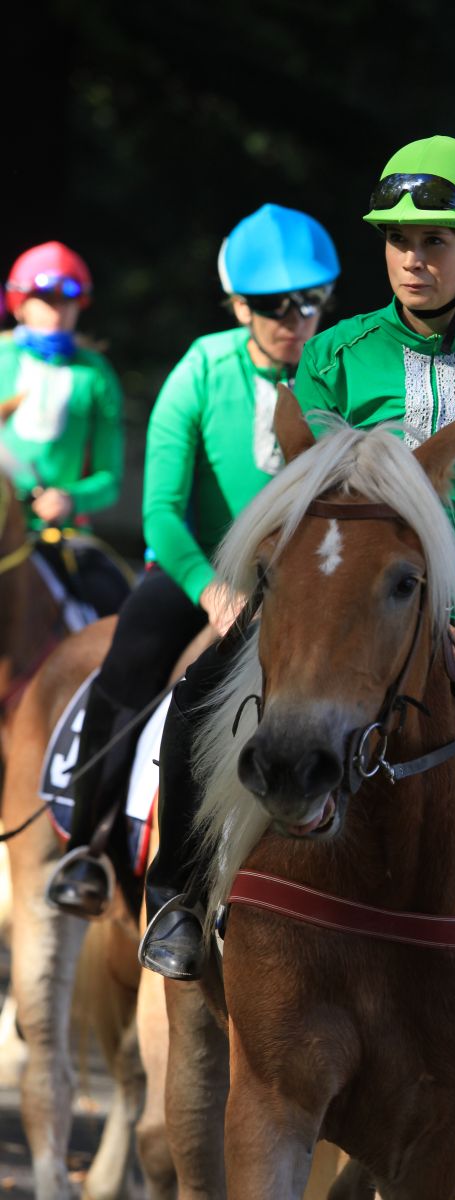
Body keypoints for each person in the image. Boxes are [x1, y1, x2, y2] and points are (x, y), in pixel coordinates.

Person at [137, 135, 455, 1037]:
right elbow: (307, 510)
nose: (413, 258)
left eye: (435, 241)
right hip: (340, 619)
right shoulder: (333, 355)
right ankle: (179, 897)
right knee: (198, 694)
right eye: (398, 239)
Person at [45, 204, 340, 919]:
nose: (295, 319)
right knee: (129, 659)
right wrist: (211, 591)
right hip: (197, 573)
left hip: (302, 583)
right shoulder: (201, 369)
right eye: (274, 305)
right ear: (239, 305)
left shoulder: (341, 377)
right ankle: (88, 845)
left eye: (310, 301)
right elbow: (160, 513)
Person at [0, 241, 129, 615]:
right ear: (20, 303)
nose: (58, 309)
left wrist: (71, 499)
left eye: (68, 299)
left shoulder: (96, 374)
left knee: (117, 612)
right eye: (45, 298)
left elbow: (109, 479)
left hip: (59, 541)